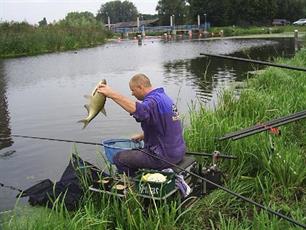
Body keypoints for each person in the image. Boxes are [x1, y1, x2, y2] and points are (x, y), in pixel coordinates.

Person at [97, 73, 186, 176]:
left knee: (119, 158)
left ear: (140, 87)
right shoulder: (164, 98)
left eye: (133, 90)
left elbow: (141, 112)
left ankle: (132, 186)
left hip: (164, 157)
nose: (132, 94)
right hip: (178, 152)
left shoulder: (153, 101)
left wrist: (111, 94)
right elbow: (166, 126)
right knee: (136, 152)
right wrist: (143, 135)